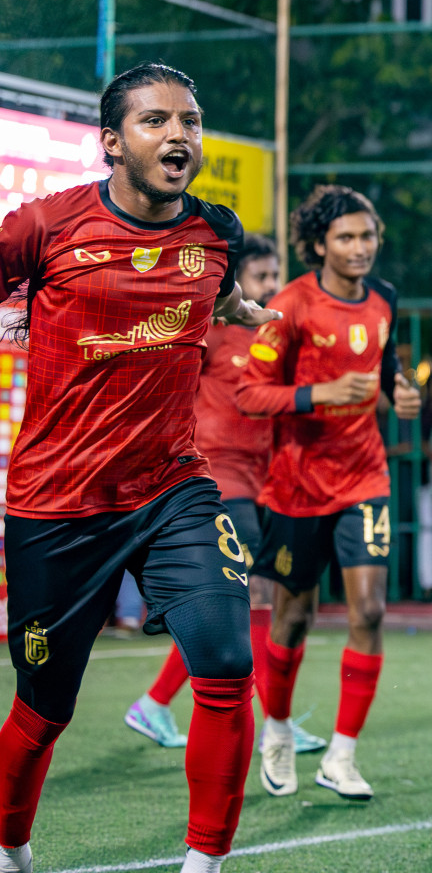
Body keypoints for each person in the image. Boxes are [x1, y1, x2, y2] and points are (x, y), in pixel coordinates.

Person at [0, 62, 278, 873]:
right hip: (57, 503)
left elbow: (209, 293)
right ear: (113, 143)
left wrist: (231, 309)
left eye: (189, 121)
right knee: (44, 708)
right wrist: (18, 313)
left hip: (173, 488)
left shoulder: (216, 233)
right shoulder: (45, 227)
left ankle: (204, 864)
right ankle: (10, 846)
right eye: (157, 122)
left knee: (227, 663)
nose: (179, 136)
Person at [236, 184, 422, 803]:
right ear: (319, 245)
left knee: (369, 610)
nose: (360, 247)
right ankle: (279, 729)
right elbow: (250, 395)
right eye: (346, 237)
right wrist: (317, 394)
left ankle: (342, 755)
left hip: (365, 477)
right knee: (295, 617)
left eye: (368, 236)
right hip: (297, 487)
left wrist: (401, 393)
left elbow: (387, 364)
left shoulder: (385, 299)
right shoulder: (290, 305)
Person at [123, 235, 328, 757]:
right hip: (216, 477)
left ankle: (156, 702)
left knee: (245, 599)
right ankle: (270, 724)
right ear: (236, 284)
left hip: (263, 481)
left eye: (275, 273)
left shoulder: (274, 337)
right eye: (260, 276)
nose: (271, 285)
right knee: (256, 593)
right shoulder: (210, 330)